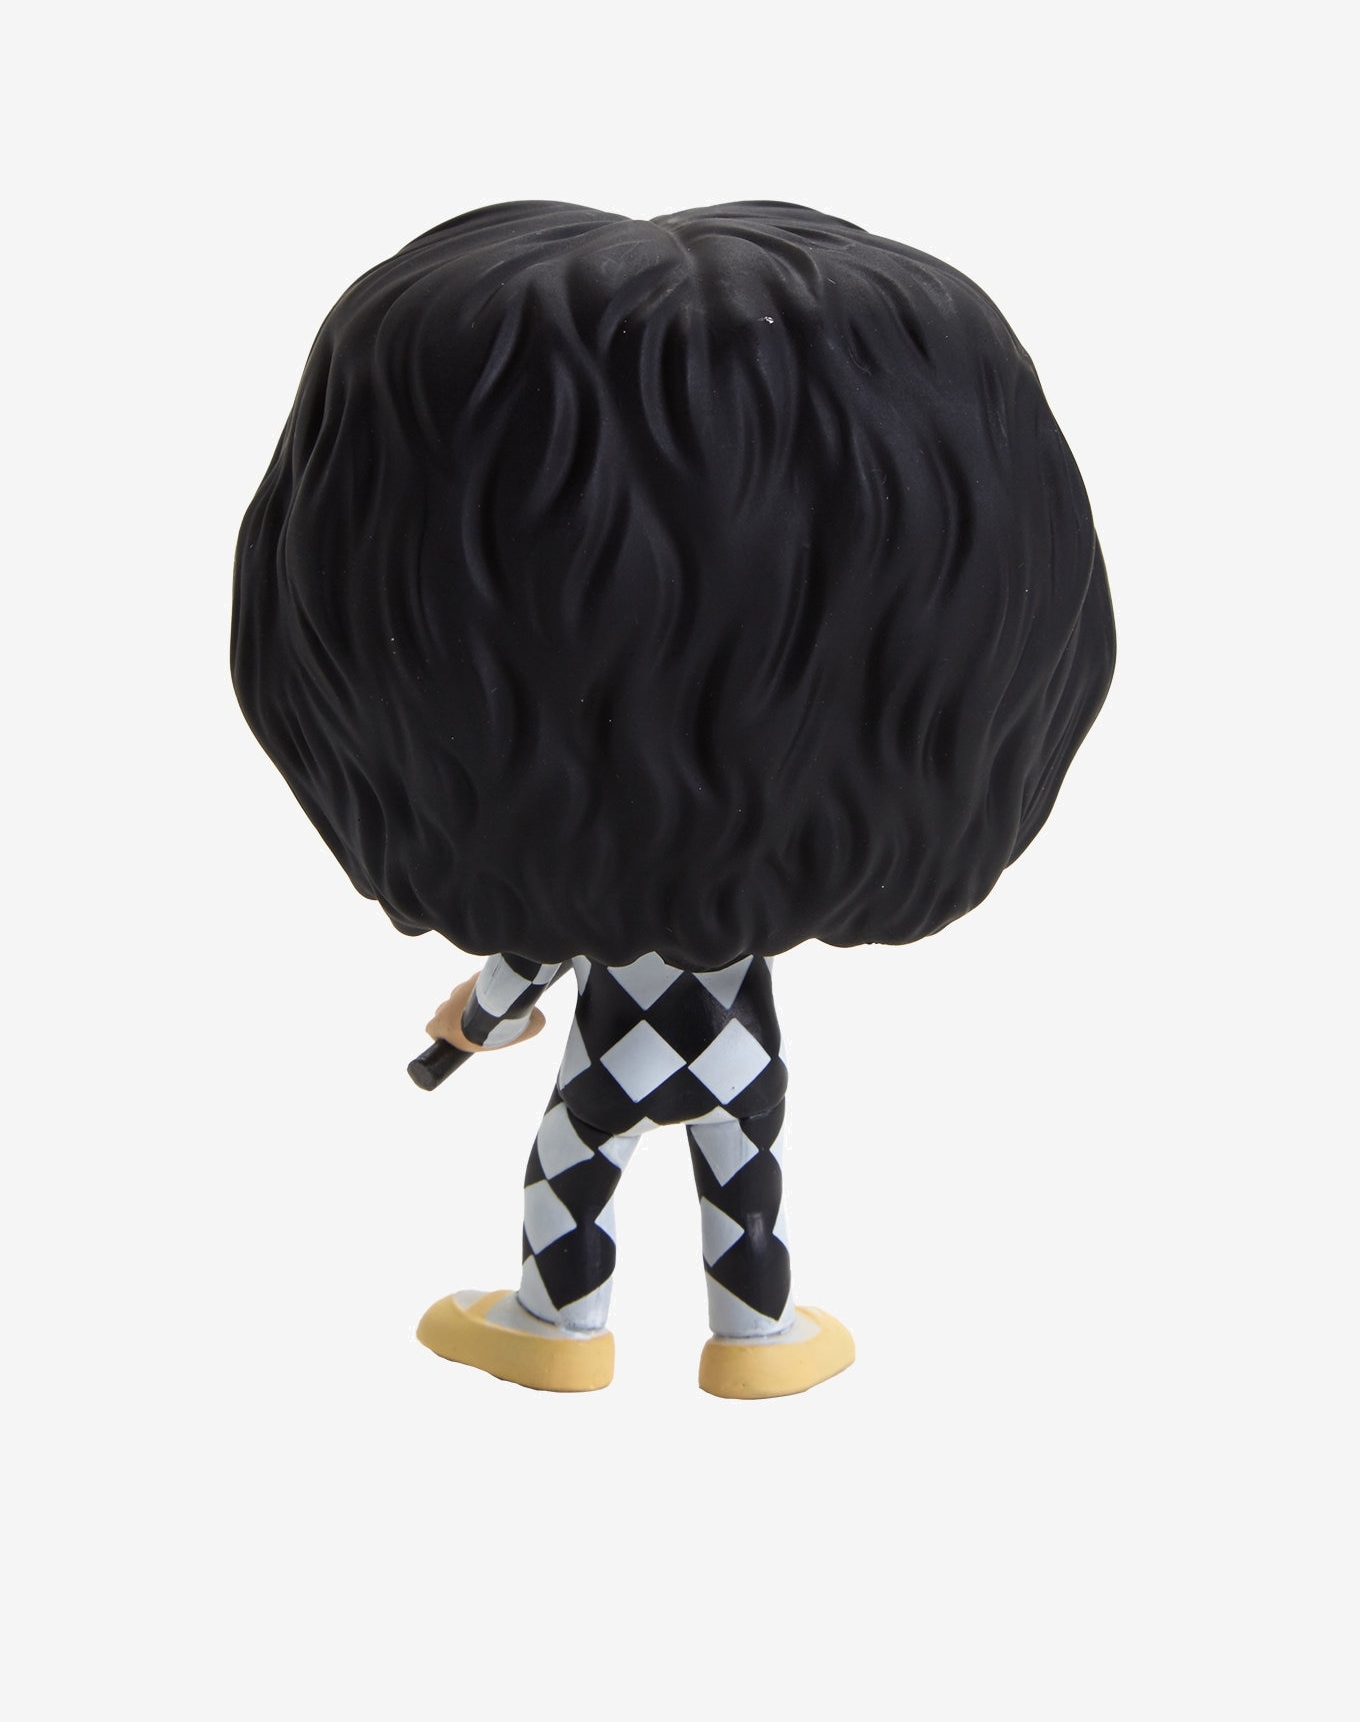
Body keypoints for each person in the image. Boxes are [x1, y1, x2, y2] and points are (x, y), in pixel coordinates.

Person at [232, 200, 1115, 1397]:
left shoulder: (560, 870)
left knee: (574, 1167)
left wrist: (475, 1025)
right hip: (744, 1051)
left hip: (619, 1054)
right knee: (744, 1182)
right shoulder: (758, 862)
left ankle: (555, 1325)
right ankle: (757, 1339)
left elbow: (524, 967)